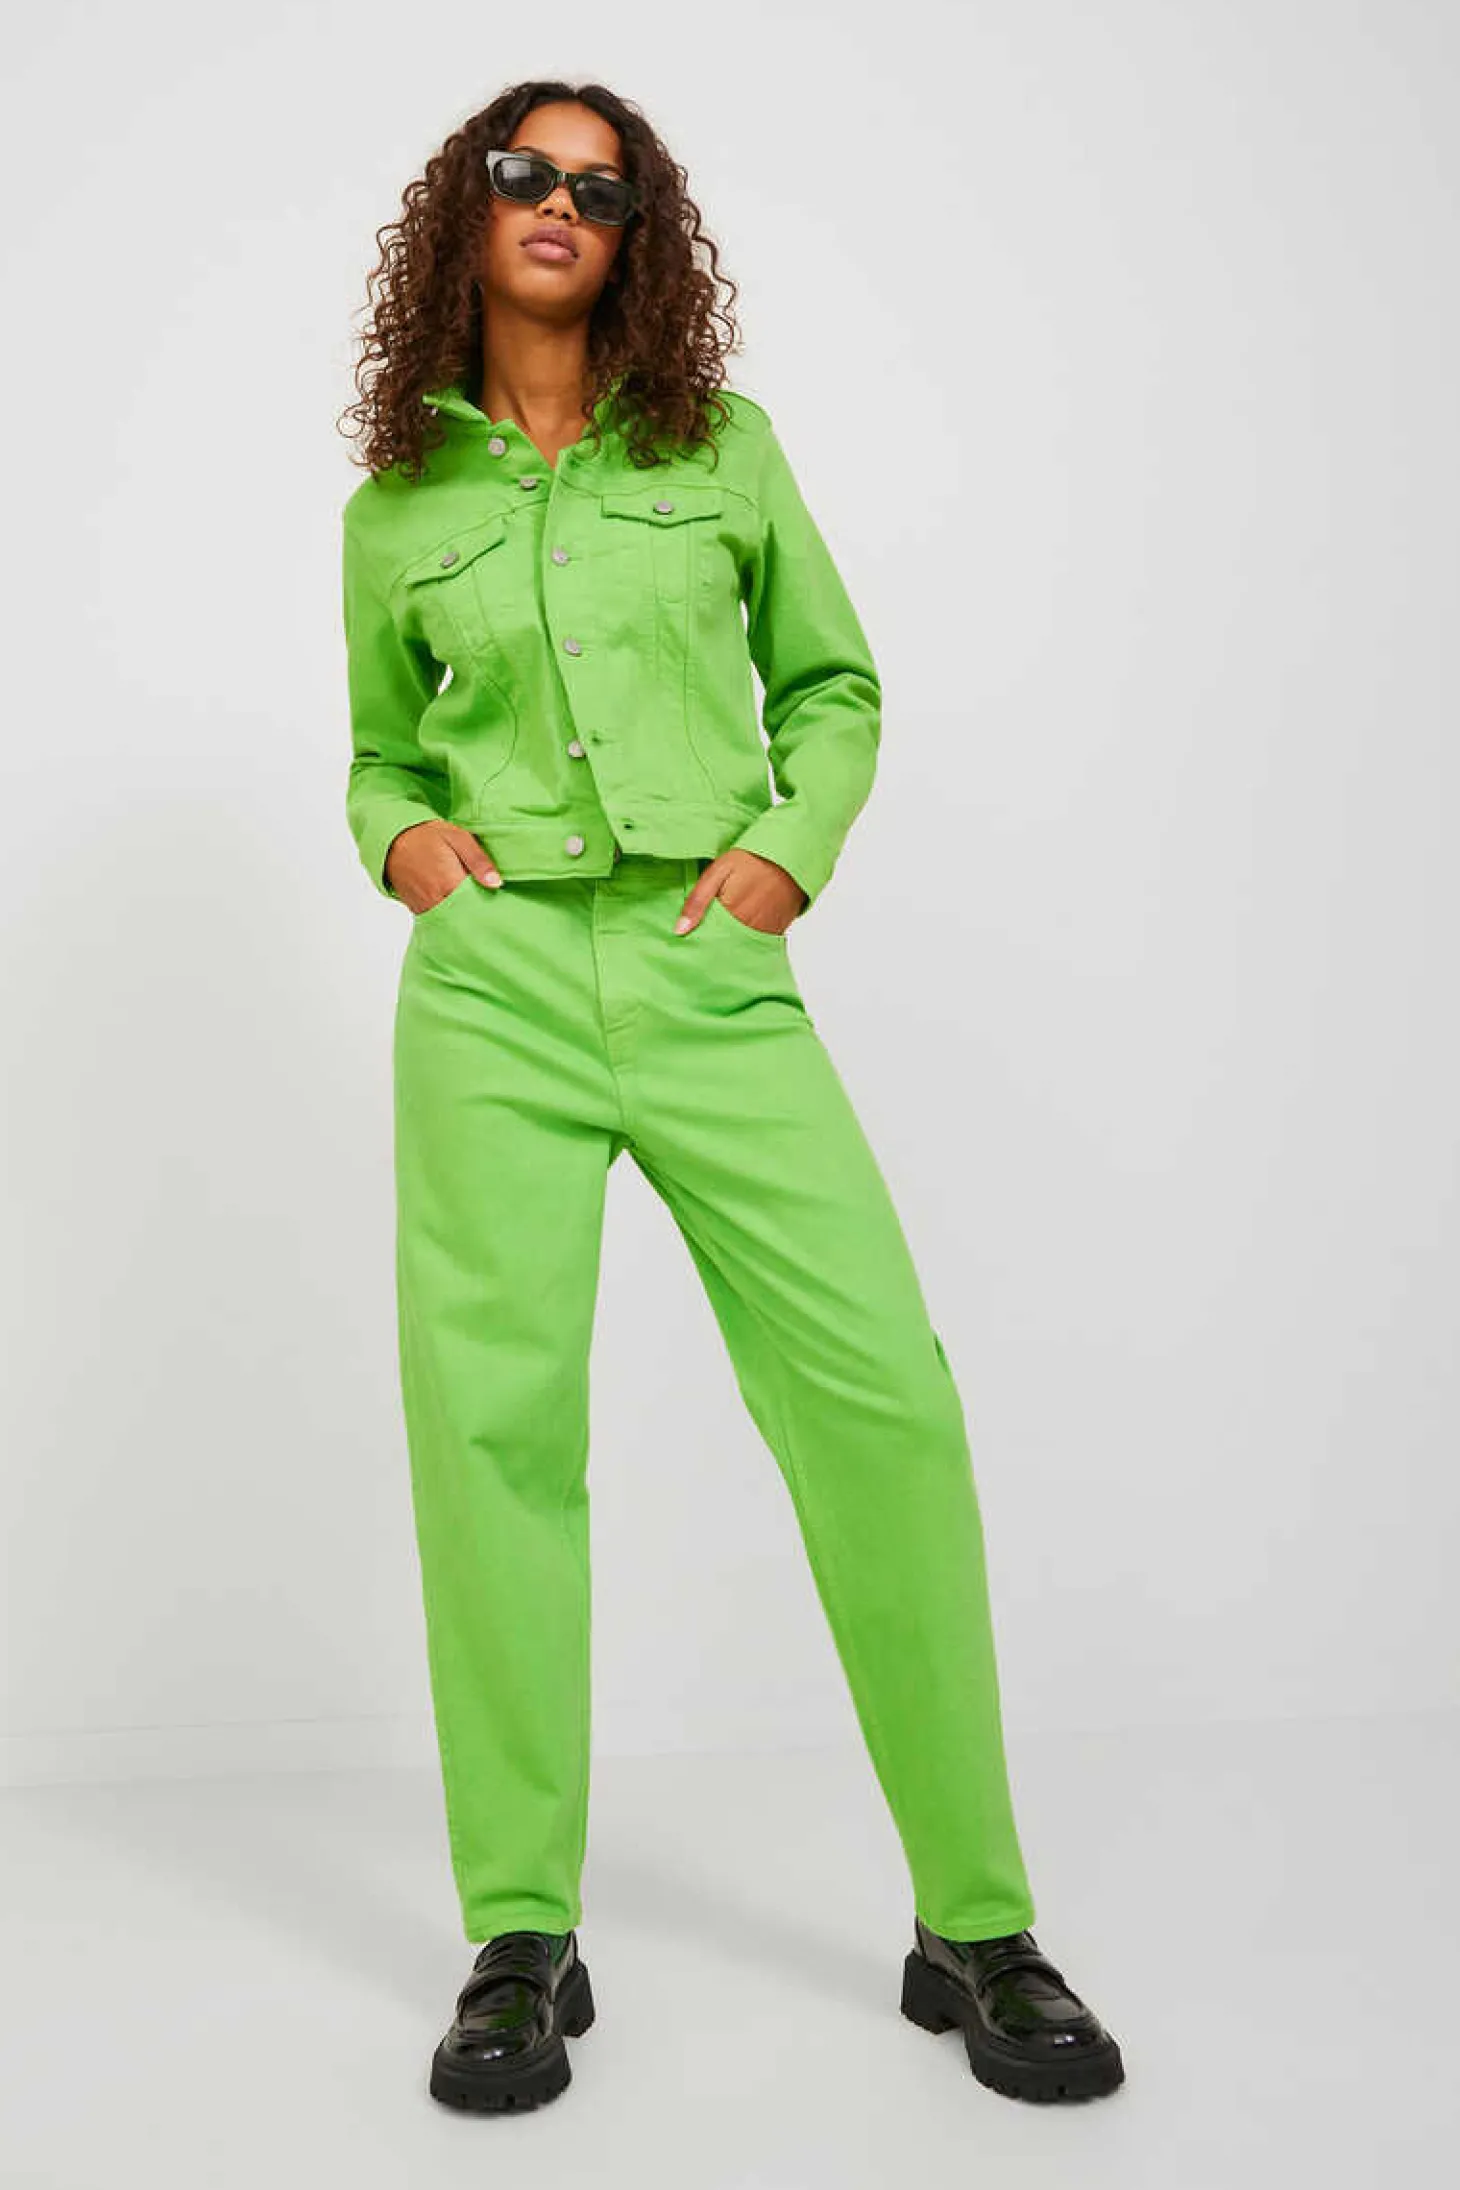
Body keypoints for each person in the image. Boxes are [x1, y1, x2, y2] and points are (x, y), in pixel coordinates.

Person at [338, 78, 1125, 2116]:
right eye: (524, 171)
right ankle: (520, 1935)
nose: (558, 202)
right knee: (493, 1441)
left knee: (883, 1401)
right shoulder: (394, 504)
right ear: (467, 211)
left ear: (638, 235)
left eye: (600, 188)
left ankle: (977, 1923)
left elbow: (833, 686)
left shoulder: (722, 449)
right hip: (494, 988)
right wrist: (404, 843)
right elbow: (380, 751)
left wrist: (787, 853)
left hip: (708, 971)